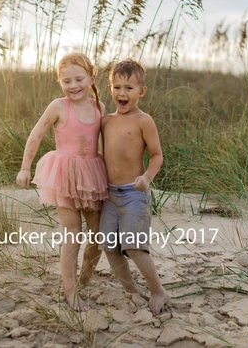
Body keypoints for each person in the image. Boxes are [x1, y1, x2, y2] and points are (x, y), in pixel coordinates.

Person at [16, 52, 107, 312]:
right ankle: (70, 291)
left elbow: (103, 144)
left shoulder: (98, 107)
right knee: (72, 236)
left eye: (79, 79)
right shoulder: (58, 106)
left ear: (91, 78)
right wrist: (25, 168)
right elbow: (36, 135)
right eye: (66, 81)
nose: (73, 85)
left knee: (97, 235)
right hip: (64, 176)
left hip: (92, 175)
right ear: (60, 82)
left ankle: (84, 280)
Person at [99, 58, 171, 316]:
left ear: (141, 91)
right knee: (109, 245)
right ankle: (130, 290)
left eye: (129, 88)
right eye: (117, 87)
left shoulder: (144, 121)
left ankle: (158, 290)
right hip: (108, 194)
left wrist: (147, 178)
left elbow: (157, 155)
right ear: (110, 90)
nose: (122, 93)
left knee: (132, 245)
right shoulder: (105, 121)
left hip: (134, 193)